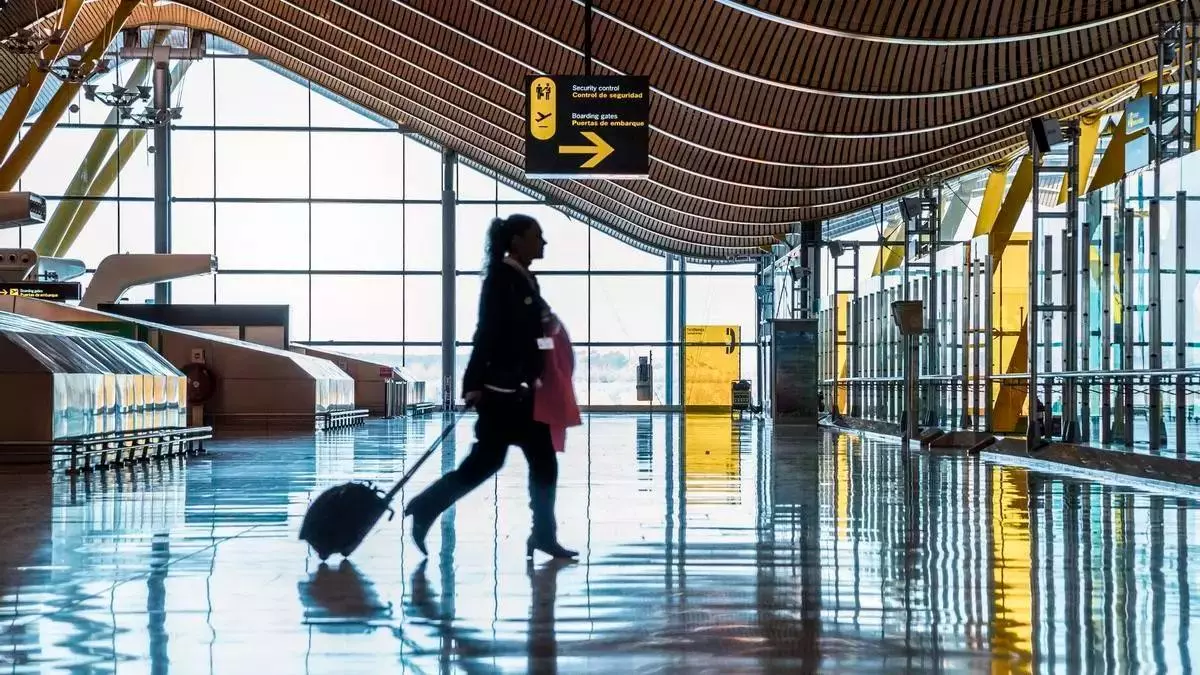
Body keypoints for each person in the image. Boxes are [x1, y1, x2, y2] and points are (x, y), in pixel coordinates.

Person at [403, 214, 577, 560]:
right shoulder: (501, 279)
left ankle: (543, 535)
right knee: (486, 464)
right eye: (537, 235)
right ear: (516, 240)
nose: (543, 243)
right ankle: (425, 506)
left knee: (540, 462)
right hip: (501, 393)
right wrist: (472, 383)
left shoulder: (524, 280)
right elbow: (487, 331)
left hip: (522, 392)